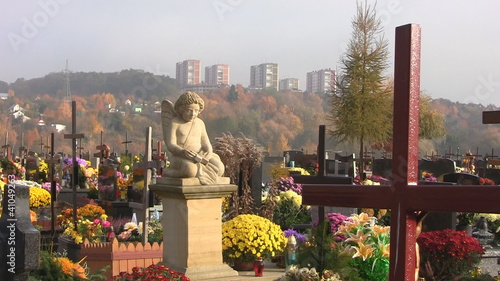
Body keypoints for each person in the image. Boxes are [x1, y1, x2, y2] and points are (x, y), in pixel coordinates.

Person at [162, 91, 224, 184]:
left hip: (199, 156)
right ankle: (169, 172)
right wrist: (183, 151)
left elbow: (206, 144)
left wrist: (207, 153)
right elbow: (171, 144)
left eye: (196, 111)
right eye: (189, 110)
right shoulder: (175, 123)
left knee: (219, 168)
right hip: (180, 157)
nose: (193, 114)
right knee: (190, 171)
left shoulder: (200, 123)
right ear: (181, 109)